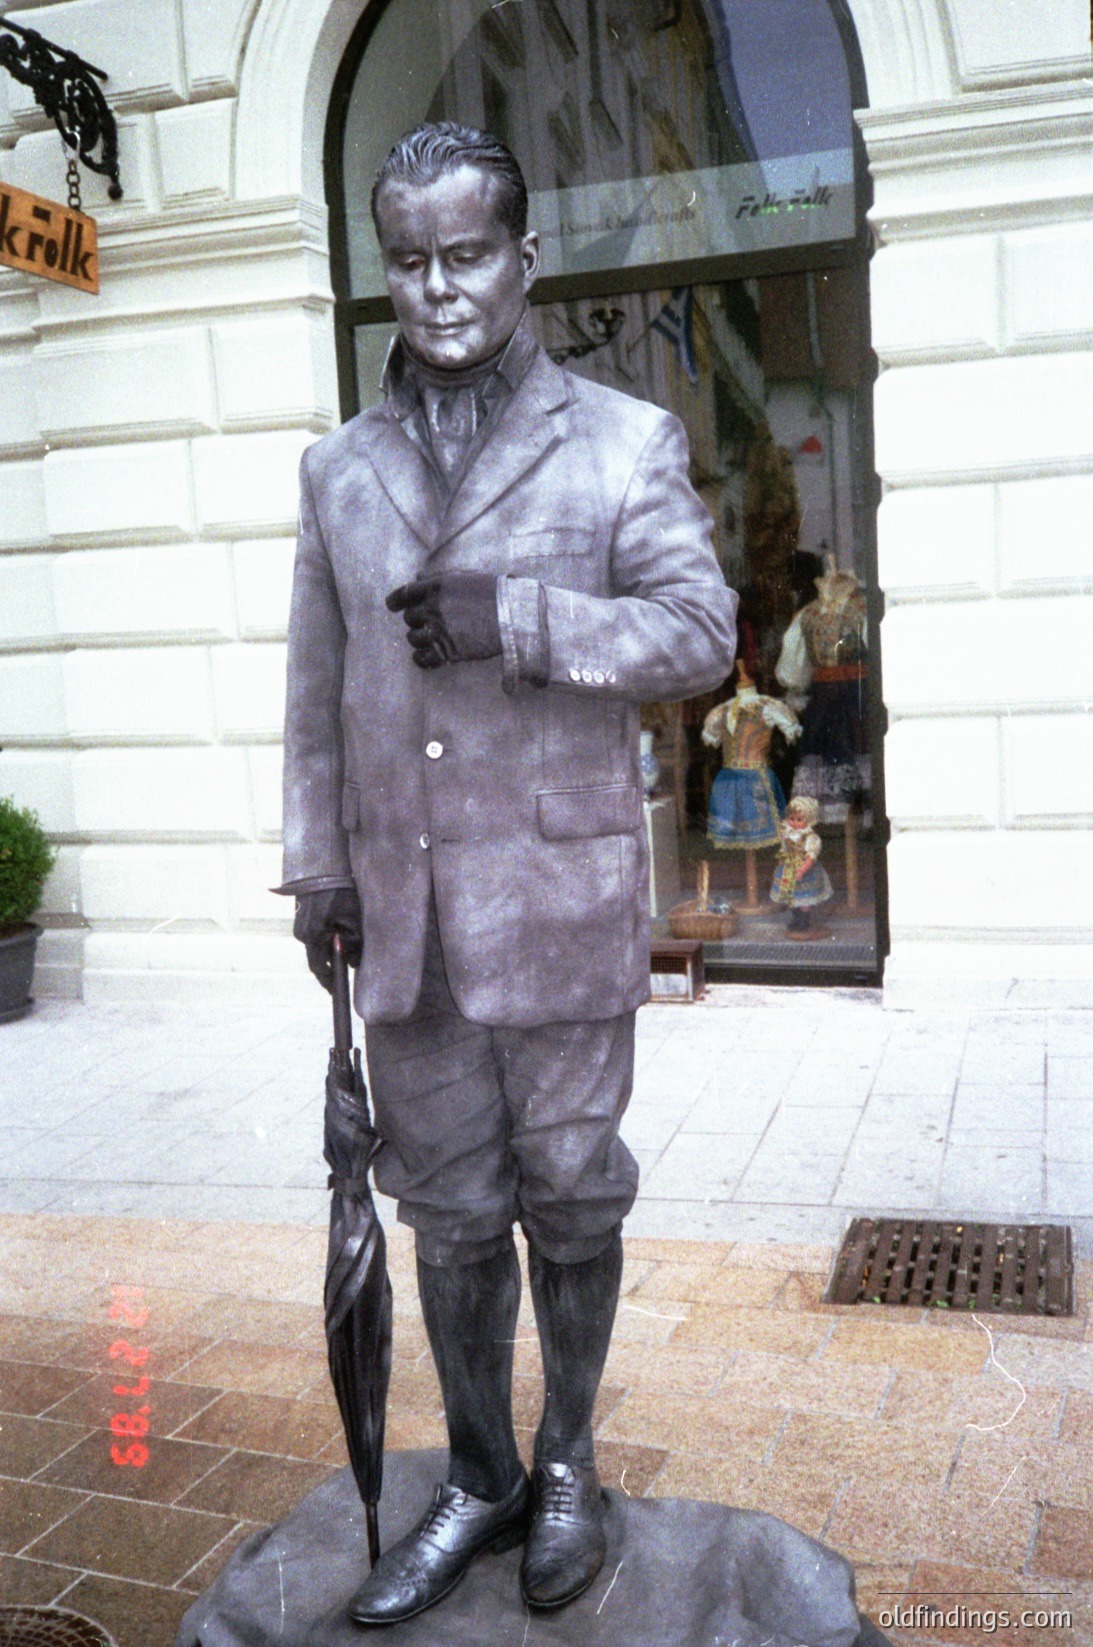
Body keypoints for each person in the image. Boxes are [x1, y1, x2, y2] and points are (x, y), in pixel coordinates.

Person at [278, 121, 737, 1625]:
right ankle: (477, 1475)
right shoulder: (337, 470)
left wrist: (523, 618)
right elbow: (316, 691)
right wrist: (317, 867)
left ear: (523, 259)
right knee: (450, 1211)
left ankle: (568, 1467)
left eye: (466, 255)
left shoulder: (619, 440)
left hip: (556, 908)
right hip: (404, 920)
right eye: (407, 260)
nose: (437, 288)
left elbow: (699, 633)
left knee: (574, 1198)